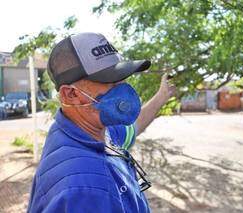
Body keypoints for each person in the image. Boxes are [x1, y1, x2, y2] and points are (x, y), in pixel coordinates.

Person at [27, 32, 175, 213]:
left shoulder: (87, 130)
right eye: (110, 80)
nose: (124, 89)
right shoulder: (87, 190)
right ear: (71, 94)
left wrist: (162, 96)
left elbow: (133, 128)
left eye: (123, 77)